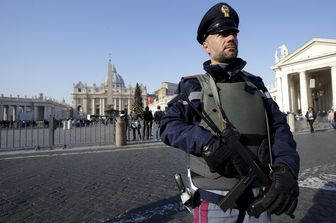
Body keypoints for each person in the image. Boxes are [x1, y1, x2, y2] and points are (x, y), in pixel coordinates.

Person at [160, 2, 300, 222]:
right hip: (215, 205)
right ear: (206, 45)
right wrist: (208, 145)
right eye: (222, 33)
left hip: (259, 199)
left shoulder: (257, 85)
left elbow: (279, 129)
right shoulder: (194, 86)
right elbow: (169, 125)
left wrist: (286, 169)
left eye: (233, 33)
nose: (230, 38)